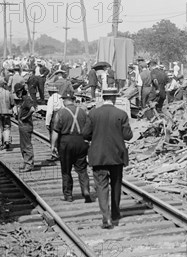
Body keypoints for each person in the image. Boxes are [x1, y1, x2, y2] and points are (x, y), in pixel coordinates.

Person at [82, 87, 133, 229]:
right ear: (115, 98)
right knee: (116, 184)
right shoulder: (121, 114)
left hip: (98, 155)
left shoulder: (93, 113)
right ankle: (116, 213)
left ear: (102, 98)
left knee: (101, 186)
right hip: (117, 155)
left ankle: (106, 218)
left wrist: (97, 135)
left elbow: (85, 134)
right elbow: (128, 135)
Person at [51, 92, 92, 203]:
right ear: (73, 100)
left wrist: (53, 146)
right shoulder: (83, 112)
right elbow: (89, 128)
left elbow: (55, 131)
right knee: (82, 169)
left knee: (66, 170)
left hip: (66, 142)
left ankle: (68, 195)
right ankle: (86, 191)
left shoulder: (60, 113)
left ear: (65, 100)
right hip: (81, 142)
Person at [14, 83, 36, 171]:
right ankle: (25, 161)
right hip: (23, 126)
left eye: (17, 92)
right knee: (23, 145)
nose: (17, 94)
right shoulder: (23, 99)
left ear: (21, 91)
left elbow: (32, 109)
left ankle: (29, 164)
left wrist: (24, 117)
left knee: (27, 145)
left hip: (26, 125)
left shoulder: (26, 98)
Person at [45, 84, 63, 160]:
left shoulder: (51, 99)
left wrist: (47, 123)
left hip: (54, 117)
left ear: (50, 91)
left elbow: (49, 112)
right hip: (62, 116)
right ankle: (60, 153)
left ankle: (54, 153)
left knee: (53, 136)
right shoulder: (61, 97)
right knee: (60, 136)